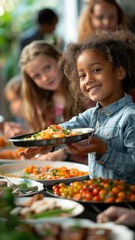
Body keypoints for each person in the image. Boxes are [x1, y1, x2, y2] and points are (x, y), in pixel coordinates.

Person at [19, 29, 135, 184]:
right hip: (97, 196)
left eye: (96, 70)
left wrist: (103, 151)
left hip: (124, 203)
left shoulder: (130, 116)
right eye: (82, 75)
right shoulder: (91, 115)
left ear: (120, 72)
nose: (88, 80)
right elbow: (64, 130)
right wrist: (46, 145)